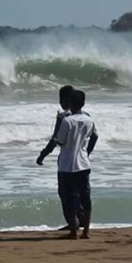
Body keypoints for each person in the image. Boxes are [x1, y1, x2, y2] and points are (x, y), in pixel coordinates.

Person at [36, 85, 84, 231]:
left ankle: (72, 223)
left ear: (65, 100)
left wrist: (43, 154)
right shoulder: (85, 116)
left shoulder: (63, 117)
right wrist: (87, 152)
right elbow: (94, 136)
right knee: (78, 192)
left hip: (66, 162)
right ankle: (81, 220)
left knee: (65, 193)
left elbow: (55, 140)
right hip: (82, 161)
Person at [55, 89, 98, 239]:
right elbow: (93, 137)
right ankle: (86, 232)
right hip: (84, 164)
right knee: (86, 198)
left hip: (67, 165)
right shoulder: (89, 120)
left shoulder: (67, 121)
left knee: (70, 198)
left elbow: (60, 140)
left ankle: (73, 232)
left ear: (70, 103)